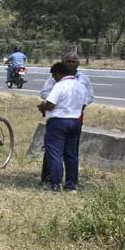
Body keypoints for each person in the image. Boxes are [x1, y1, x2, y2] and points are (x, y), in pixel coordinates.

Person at [38, 61, 86, 192]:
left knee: (55, 153)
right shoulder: (81, 86)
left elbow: (51, 104)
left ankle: (55, 183)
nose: (54, 79)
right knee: (71, 154)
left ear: (58, 73)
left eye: (54, 76)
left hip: (58, 122)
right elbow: (84, 104)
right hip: (75, 121)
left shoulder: (60, 85)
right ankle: (71, 185)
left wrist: (42, 107)